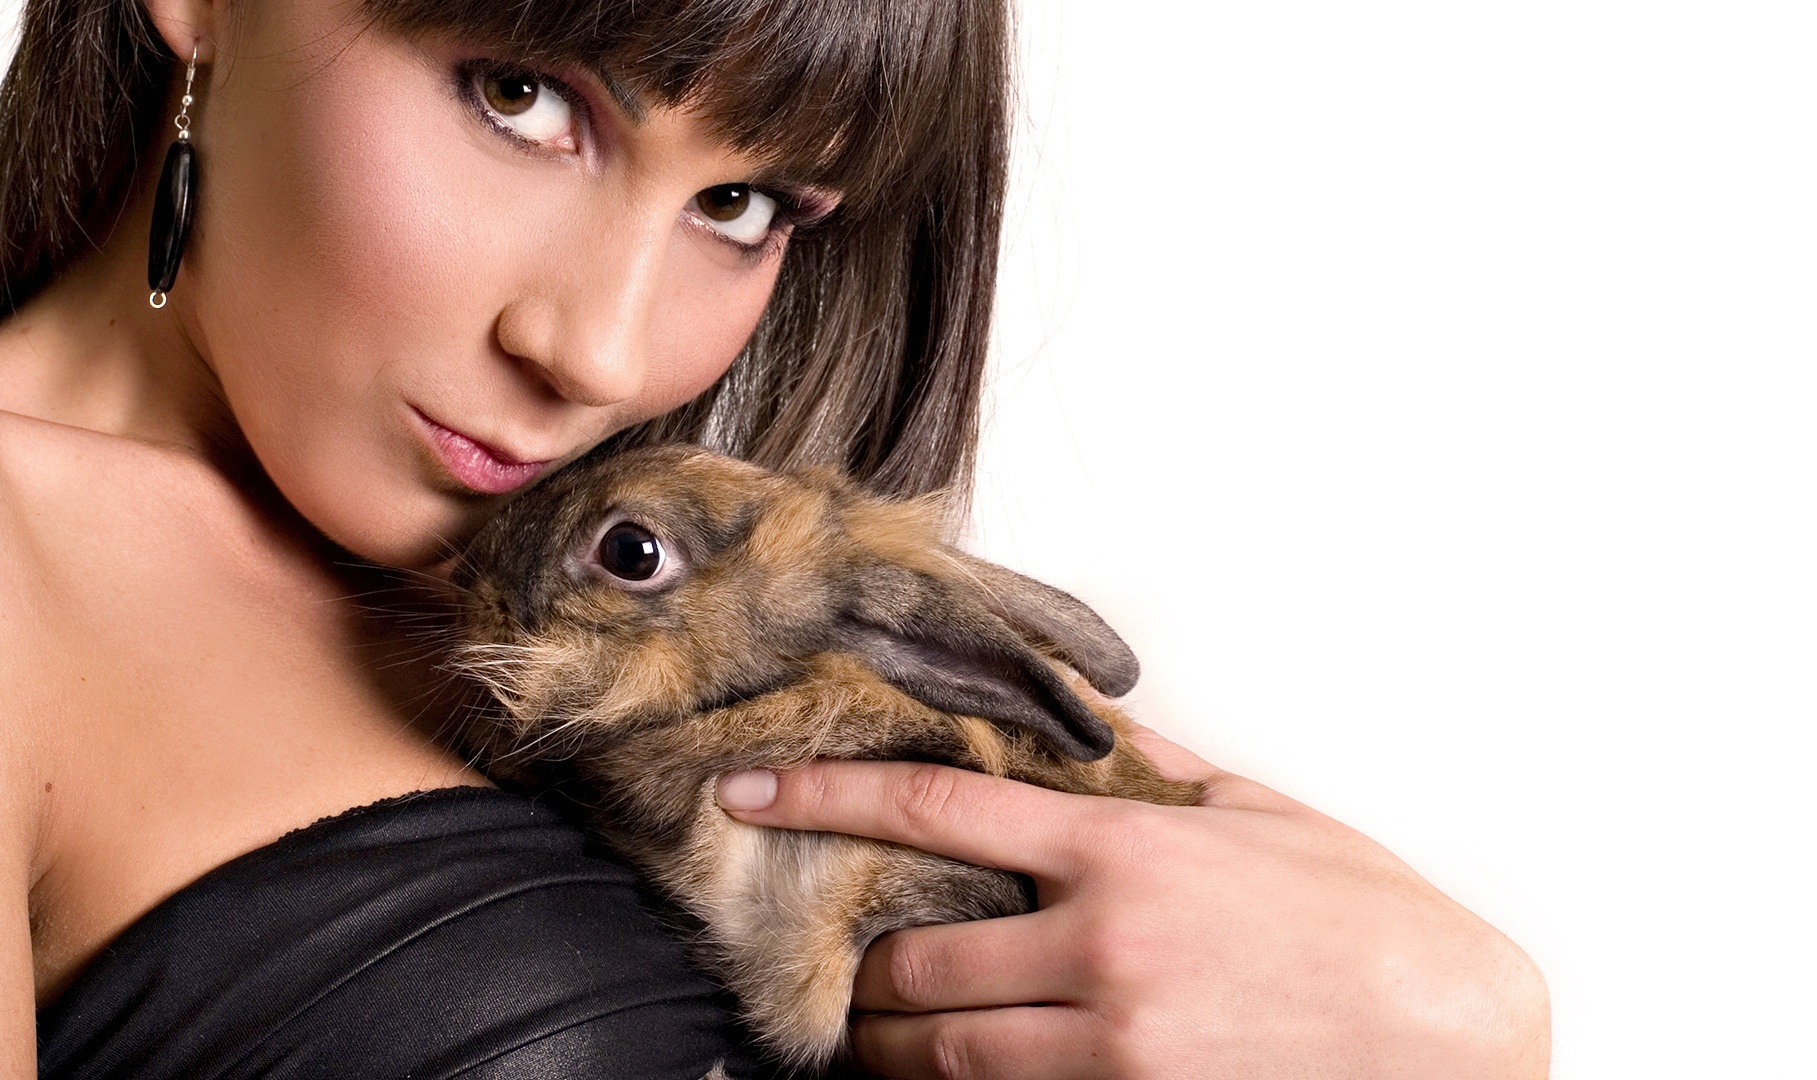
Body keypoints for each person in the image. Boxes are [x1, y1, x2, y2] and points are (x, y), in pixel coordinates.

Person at [0, 0, 1550, 1075]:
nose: (601, 352)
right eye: (522, 98)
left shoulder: (674, 595)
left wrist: (1465, 1027)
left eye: (742, 204)